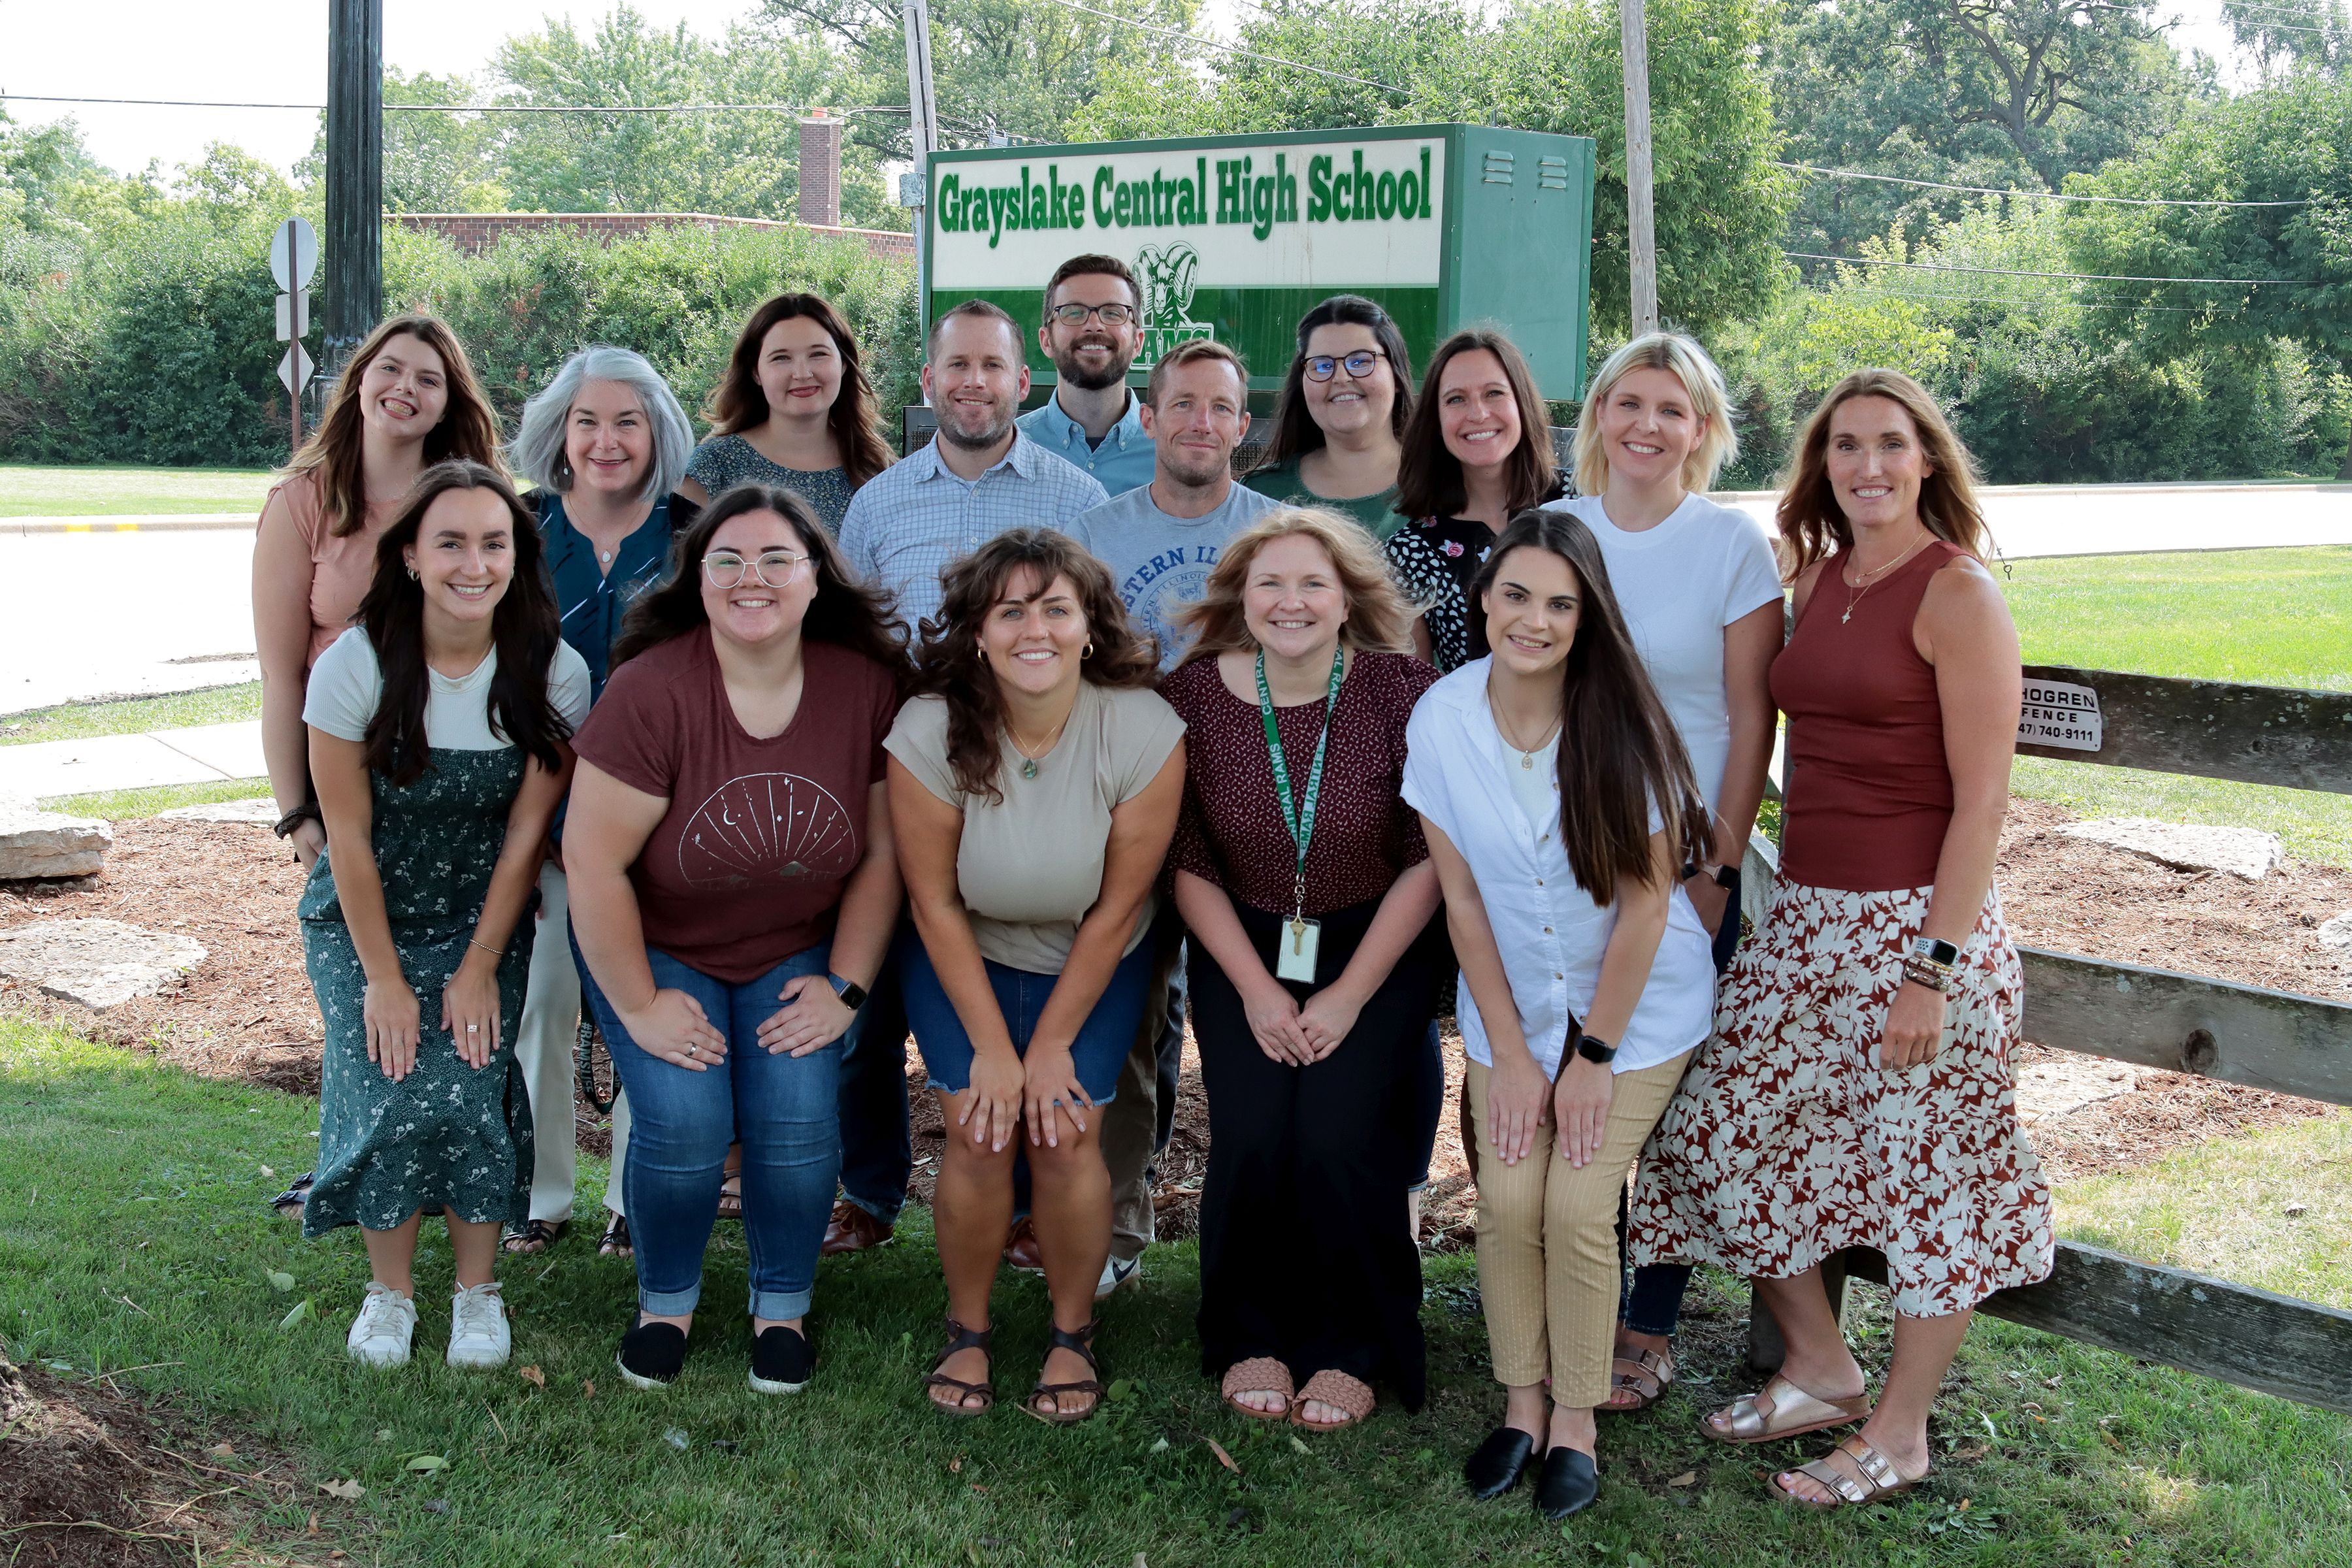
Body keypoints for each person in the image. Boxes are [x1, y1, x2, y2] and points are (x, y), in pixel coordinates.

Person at [1631, 370, 2051, 1509]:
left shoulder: (1957, 595)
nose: (1868, 465)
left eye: (1891, 445)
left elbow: (1983, 804)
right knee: (1711, 1134)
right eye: (1846, 446)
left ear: (1927, 462)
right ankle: (1820, 1368)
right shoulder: (1815, 579)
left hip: (1918, 928)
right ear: (1821, 465)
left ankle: (1902, 1433)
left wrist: (1932, 971)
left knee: (1931, 1184)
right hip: (1805, 920)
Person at [1405, 510, 1717, 1520]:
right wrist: (1513, 1050)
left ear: (1587, 618)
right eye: (1515, 596)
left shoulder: (1623, 727)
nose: (1532, 621)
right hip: (1510, 1012)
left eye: (1559, 604)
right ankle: (1523, 1405)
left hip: (1634, 1014)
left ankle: (1578, 1421)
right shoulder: (1442, 718)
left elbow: (1646, 907)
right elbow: (1461, 901)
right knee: (1505, 1200)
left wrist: (1587, 1055)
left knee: (1577, 1208)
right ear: (1483, 600)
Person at [564, 485, 906, 1394]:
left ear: (814, 579)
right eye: (727, 561)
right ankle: (666, 1303)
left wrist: (845, 988)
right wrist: (637, 1004)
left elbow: (879, 859)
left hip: (797, 944)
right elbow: (592, 867)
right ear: (699, 578)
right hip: (657, 941)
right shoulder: (654, 692)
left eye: (774, 560)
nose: (750, 578)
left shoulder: (863, 687)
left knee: (798, 1119)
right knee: (683, 1123)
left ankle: (781, 1307)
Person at [826, 300, 1109, 1259]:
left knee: (1009, 984)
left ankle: (1028, 1207)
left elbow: (1089, 641)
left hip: (1028, 781)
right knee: (872, 997)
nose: (975, 382)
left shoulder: (1074, 499)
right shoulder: (880, 503)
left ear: (1022, 383)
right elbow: (855, 644)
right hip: (904, 773)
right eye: (958, 367)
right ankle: (868, 1189)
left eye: (994, 366)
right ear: (930, 384)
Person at [888, 530, 1184, 1424]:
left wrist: (1049, 1044)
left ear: (1090, 627)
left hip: (1094, 955)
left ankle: (1071, 1333)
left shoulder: (1142, 728)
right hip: (963, 953)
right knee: (979, 1131)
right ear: (977, 630)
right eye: (1009, 610)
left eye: (1056, 608)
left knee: (1063, 1135)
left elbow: (1120, 907)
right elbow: (934, 905)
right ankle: (967, 1330)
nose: (1034, 629)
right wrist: (992, 1046)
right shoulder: (927, 728)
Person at [298, 459, 587, 1371]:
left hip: (483, 911)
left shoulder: (553, 670)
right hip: (363, 915)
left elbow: (527, 835)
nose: (475, 563)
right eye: (451, 542)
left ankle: (477, 1293)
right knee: (387, 1083)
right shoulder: (355, 666)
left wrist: (477, 965)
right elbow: (345, 837)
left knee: (466, 1082)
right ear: (413, 557)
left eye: (493, 543)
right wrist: (383, 979)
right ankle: (390, 1296)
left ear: (518, 554)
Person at [1543, 333, 1784, 1414]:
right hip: (1560, 862)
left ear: (1703, 430)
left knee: (1670, 1099)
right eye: (1627, 402)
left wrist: (1720, 864)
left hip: (1683, 865)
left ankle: (1651, 1314)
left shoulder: (1731, 545)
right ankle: (1560, 1288)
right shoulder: (1555, 533)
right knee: (1568, 1079)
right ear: (1597, 415)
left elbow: (1749, 715)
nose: (1647, 424)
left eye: (1672, 409)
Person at [1164, 509, 1442, 1433]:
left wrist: (1350, 994)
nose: (1291, 602)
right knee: (1251, 1133)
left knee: (1334, 1134)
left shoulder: (1402, 687)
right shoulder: (1195, 695)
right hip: (1243, 939)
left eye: (1312, 583)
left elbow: (1426, 854)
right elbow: (1186, 855)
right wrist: (1253, 987)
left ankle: (1352, 1342)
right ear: (1242, 595)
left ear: (1347, 597)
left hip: (1374, 941)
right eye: (1271, 583)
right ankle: (1249, 1331)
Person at [255, 313, 504, 1218]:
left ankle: (448, 1174)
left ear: (449, 403)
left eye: (428, 378)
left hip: (461, 789)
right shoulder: (302, 504)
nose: (406, 387)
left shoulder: (469, 502)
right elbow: (283, 677)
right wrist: (298, 814)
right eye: (390, 369)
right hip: (345, 787)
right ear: (358, 381)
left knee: (457, 1016)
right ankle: (349, 1168)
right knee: (358, 1001)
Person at [1060, 337, 1275, 1293]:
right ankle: (1116, 1229)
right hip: (1131, 804)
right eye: (1181, 404)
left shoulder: (1278, 536)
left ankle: (1268, 1229)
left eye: (1219, 408)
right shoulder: (1097, 536)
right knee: (1130, 1018)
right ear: (1150, 419)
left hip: (1254, 813)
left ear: (1244, 426)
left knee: (1257, 1022)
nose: (1200, 423)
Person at [504, 344, 704, 1259]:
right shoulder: (517, 531)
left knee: (640, 1005)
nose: (607, 440)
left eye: (628, 421)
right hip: (538, 820)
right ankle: (541, 1197)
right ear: (561, 434)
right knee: (543, 1004)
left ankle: (632, 1200)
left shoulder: (698, 532)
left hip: (661, 826)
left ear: (657, 432)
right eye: (588, 421)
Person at [1384, 329, 1563, 673]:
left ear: (1522, 403)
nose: (1478, 414)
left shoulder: (1581, 506)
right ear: (1435, 421)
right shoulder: (1410, 552)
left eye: (1494, 393)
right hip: (1467, 725)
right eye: (1455, 399)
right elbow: (1414, 686)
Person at [680, 293, 894, 534]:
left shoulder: (877, 467)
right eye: (781, 358)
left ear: (844, 364)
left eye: (818, 354)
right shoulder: (713, 467)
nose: (802, 374)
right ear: (756, 373)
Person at [1241, 295, 1414, 540]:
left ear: (1396, 376)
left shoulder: (1443, 488)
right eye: (1322, 365)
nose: (1341, 377)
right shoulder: (1261, 494)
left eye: (1361, 361)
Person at [1015, 254, 1158, 498]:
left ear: (1138, 342)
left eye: (1113, 313)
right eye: (1074, 313)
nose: (1094, 325)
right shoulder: (1012, 448)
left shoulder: (1170, 451)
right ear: (1046, 340)